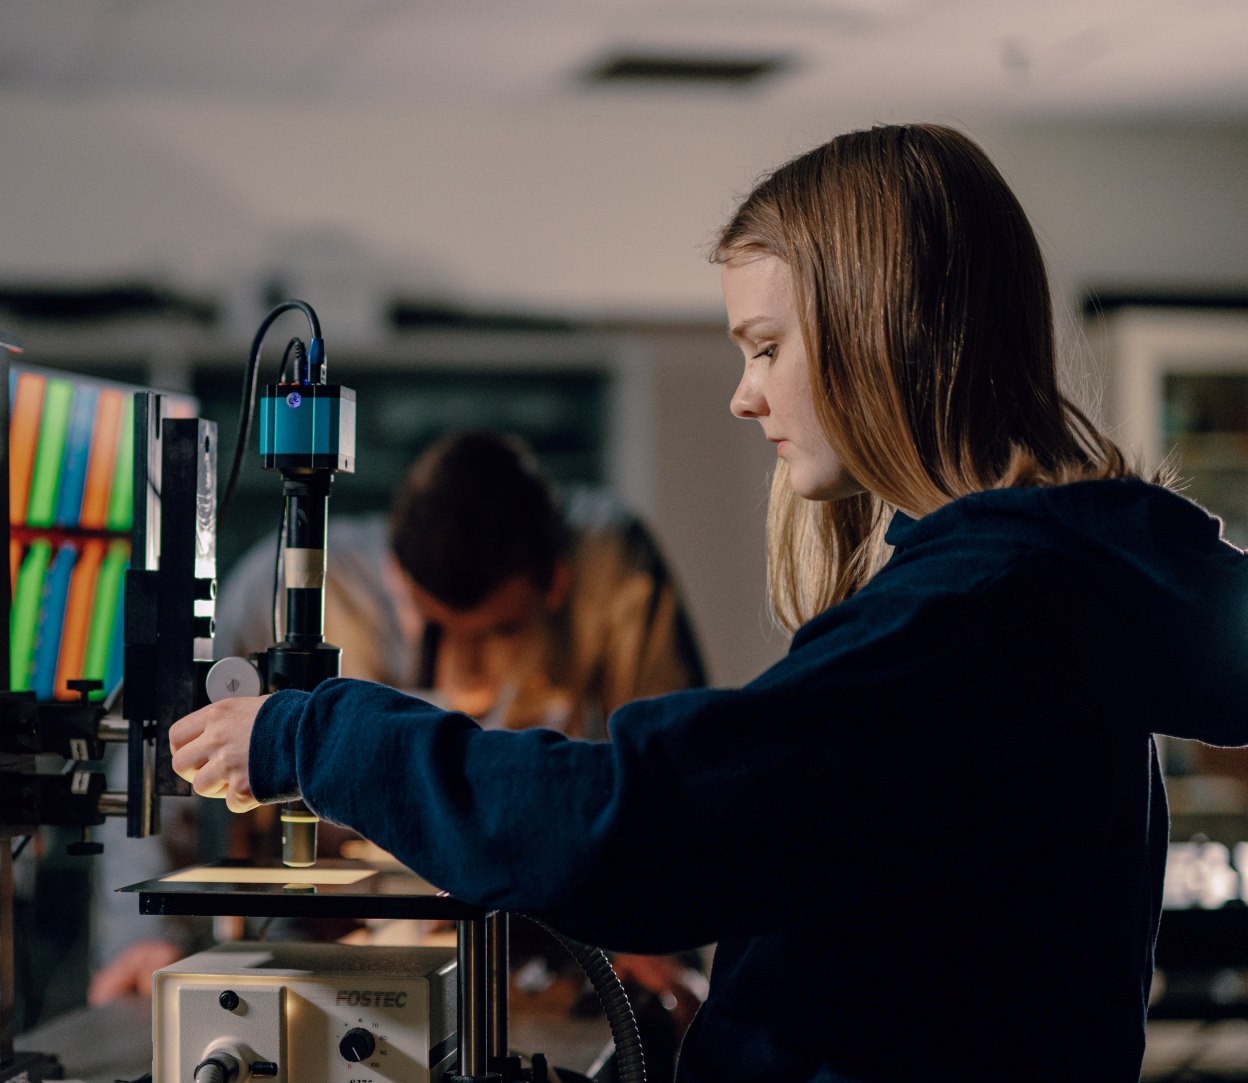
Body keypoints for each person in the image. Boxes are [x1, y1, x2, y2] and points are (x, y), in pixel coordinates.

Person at [168, 122, 1248, 1081]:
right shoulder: (1046, 587)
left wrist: (311, 732)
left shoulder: (978, 615)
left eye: (767, 348)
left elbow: (629, 825)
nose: (745, 395)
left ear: (884, 331)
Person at [89, 430, 709, 1036]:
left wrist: (655, 930)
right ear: (393, 574)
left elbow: (671, 777)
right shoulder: (296, 586)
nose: (468, 680)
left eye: (500, 633)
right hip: (331, 938)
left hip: (530, 937)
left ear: (556, 582)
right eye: (438, 628)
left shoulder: (611, 571)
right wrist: (141, 939)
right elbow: (167, 756)